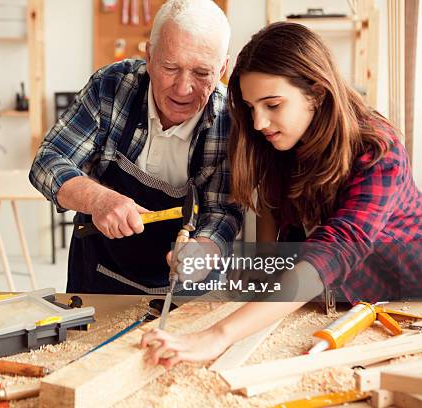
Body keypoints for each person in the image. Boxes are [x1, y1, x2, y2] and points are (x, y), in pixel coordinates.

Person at [141, 22, 422, 367]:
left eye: (272, 105)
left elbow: (333, 251)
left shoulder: (379, 151)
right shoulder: (280, 138)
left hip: (401, 304)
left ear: (317, 93)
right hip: (327, 300)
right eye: (251, 106)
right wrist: (262, 267)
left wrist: (219, 335)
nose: (258, 122)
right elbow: (272, 211)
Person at [29, 0, 242, 294]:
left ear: (222, 69)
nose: (183, 88)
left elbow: (221, 211)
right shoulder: (113, 86)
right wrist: (99, 200)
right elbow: (48, 161)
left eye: (202, 73)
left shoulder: (230, 121)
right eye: (170, 67)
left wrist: (203, 253)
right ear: (150, 56)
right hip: (99, 275)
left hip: (184, 290)